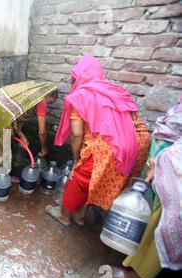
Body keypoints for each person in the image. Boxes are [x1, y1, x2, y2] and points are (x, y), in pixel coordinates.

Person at [46, 56, 150, 227]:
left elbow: (76, 133)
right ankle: (80, 216)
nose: (73, 83)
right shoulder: (114, 90)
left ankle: (64, 215)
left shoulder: (82, 95)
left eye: (74, 79)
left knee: (79, 178)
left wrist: (76, 160)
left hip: (109, 147)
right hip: (138, 144)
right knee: (99, 180)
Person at [111, 100, 182, 278]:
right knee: (154, 219)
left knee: (168, 226)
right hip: (168, 169)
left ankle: (142, 276)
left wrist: (160, 161)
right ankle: (134, 262)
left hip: (176, 174)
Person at [0, 80, 59, 183]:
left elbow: (14, 115)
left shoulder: (30, 90)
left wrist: (21, 135)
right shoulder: (42, 100)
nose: (48, 104)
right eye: (50, 102)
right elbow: (42, 131)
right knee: (1, 149)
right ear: (49, 95)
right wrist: (43, 147)